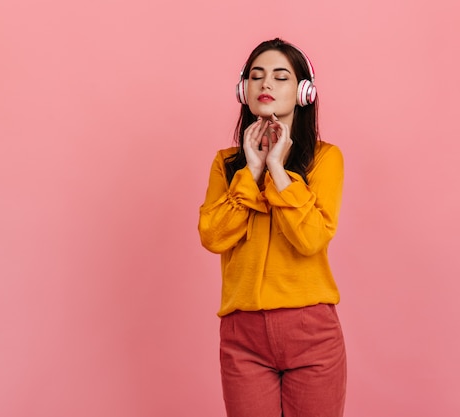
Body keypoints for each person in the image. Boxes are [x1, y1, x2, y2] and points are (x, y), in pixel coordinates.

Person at [198, 38, 347, 417]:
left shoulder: (325, 160)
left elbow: (312, 238)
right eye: (256, 76)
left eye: (280, 77)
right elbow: (213, 236)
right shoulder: (225, 164)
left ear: (303, 92)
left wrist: (278, 171)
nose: (265, 85)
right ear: (242, 89)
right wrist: (251, 171)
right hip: (242, 334)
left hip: (311, 330)